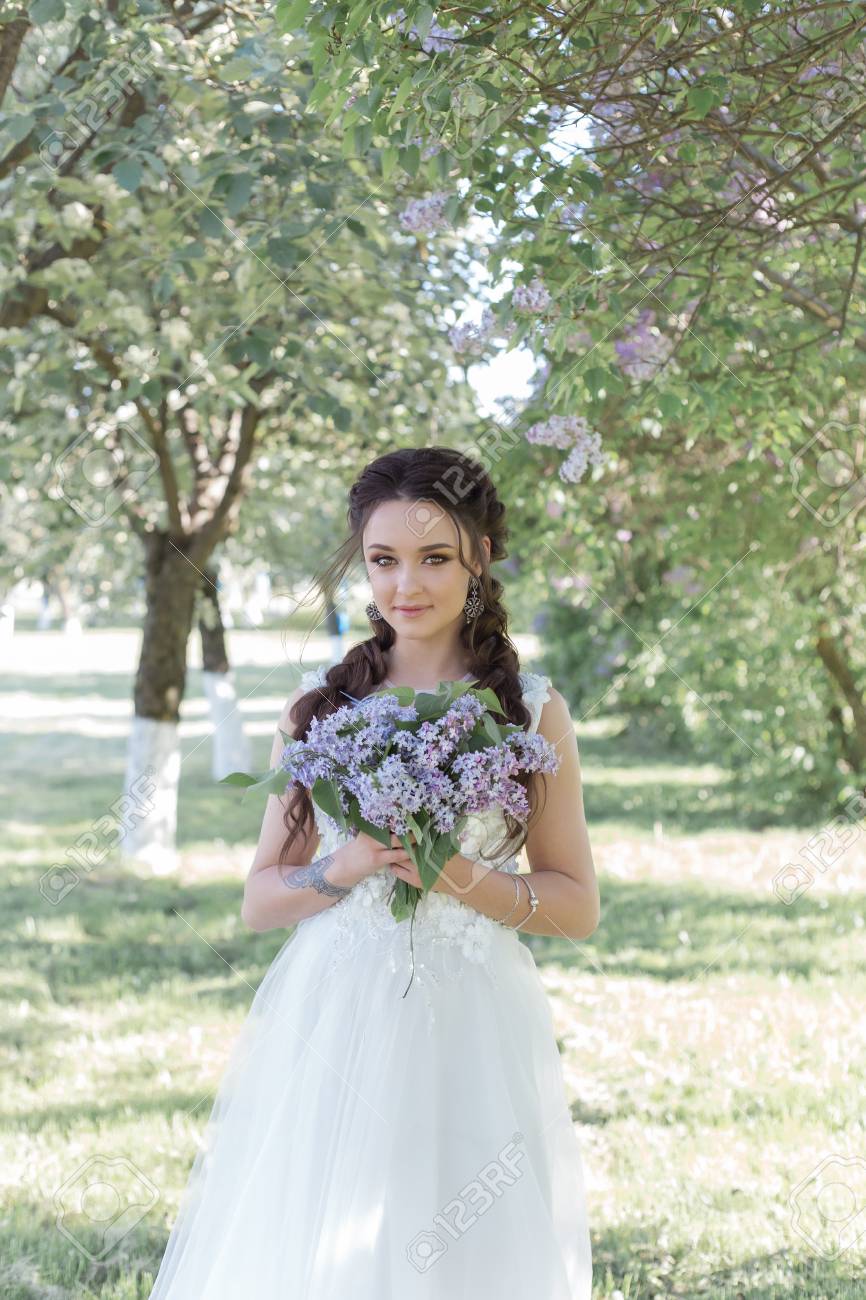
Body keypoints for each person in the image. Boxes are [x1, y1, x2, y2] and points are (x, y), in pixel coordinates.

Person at [148, 446, 599, 1298]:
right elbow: (258, 900)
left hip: (474, 1014)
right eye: (385, 560)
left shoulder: (530, 713)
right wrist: (344, 869)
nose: (407, 586)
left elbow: (575, 906)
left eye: (435, 559)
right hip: (335, 1010)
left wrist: (457, 877)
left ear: (482, 558)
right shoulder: (320, 707)